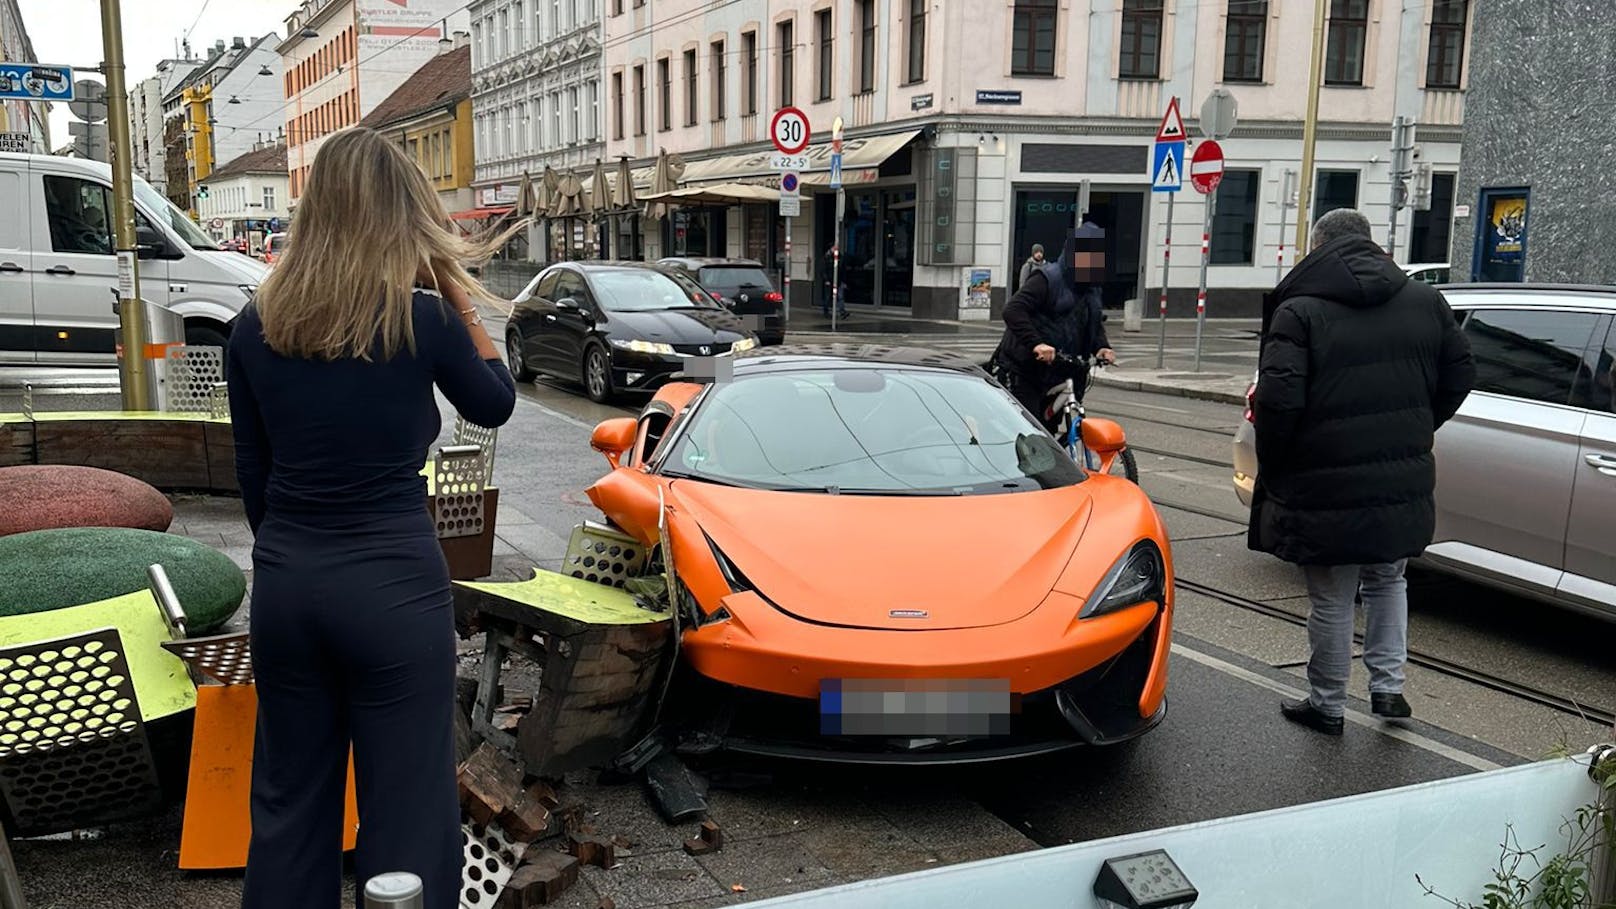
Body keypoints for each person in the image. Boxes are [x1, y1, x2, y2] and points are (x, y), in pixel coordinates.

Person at [226, 127, 522, 907]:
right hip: (394, 589)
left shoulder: (254, 327)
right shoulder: (420, 320)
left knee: (289, 805)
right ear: (402, 215)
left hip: (290, 586)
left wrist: (297, 555)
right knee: (406, 808)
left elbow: (254, 481)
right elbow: (494, 400)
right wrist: (452, 283)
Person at [1249, 208, 1475, 736]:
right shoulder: (1424, 300)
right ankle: (1388, 688)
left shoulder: (1300, 310)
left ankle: (1326, 704)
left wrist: (1279, 463)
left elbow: (1277, 404)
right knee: (1388, 579)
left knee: (1331, 596)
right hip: (1400, 473)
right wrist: (1417, 426)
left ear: (1320, 246)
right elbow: (1461, 373)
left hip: (1323, 477)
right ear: (1371, 245)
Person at [991, 223, 1116, 433]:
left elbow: (1091, 320)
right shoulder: (1047, 279)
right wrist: (1037, 344)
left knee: (1048, 431)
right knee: (1027, 431)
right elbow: (1013, 311)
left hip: (1062, 371)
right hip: (1026, 369)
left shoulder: (1092, 287)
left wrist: (1101, 347)